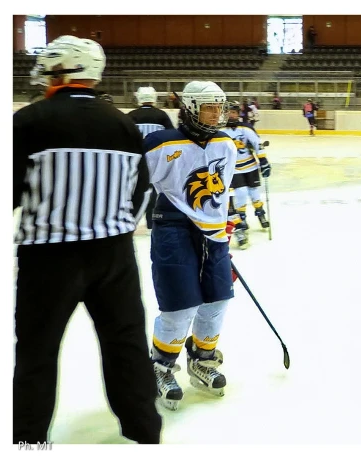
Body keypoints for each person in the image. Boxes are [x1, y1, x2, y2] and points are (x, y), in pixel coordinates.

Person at [13, 35, 161, 444]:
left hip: (47, 257)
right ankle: (144, 433)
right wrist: (112, 228)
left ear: (61, 70)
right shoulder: (123, 124)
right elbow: (141, 194)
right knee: (126, 347)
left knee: (37, 352)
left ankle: (28, 440)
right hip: (114, 254)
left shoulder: (27, 121)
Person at [143, 81, 238, 410]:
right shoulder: (159, 144)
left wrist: (227, 226)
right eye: (210, 107)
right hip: (173, 230)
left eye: (220, 107)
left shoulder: (226, 144)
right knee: (179, 306)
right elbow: (136, 185)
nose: (217, 114)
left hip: (213, 236)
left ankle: (202, 359)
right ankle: (161, 366)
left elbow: (223, 192)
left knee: (218, 300)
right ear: (191, 107)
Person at [221, 100, 271, 249]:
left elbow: (257, 144)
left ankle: (260, 213)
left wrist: (264, 161)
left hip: (250, 167)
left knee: (254, 192)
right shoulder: (220, 131)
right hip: (233, 170)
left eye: (234, 112)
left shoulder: (246, 128)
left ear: (238, 114)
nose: (231, 115)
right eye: (228, 112)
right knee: (240, 193)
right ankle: (241, 221)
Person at [128, 86, 175, 232]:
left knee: (135, 190)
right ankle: (151, 221)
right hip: (158, 160)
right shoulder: (161, 115)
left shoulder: (131, 115)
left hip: (136, 160)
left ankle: (131, 220)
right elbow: (172, 136)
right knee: (155, 191)